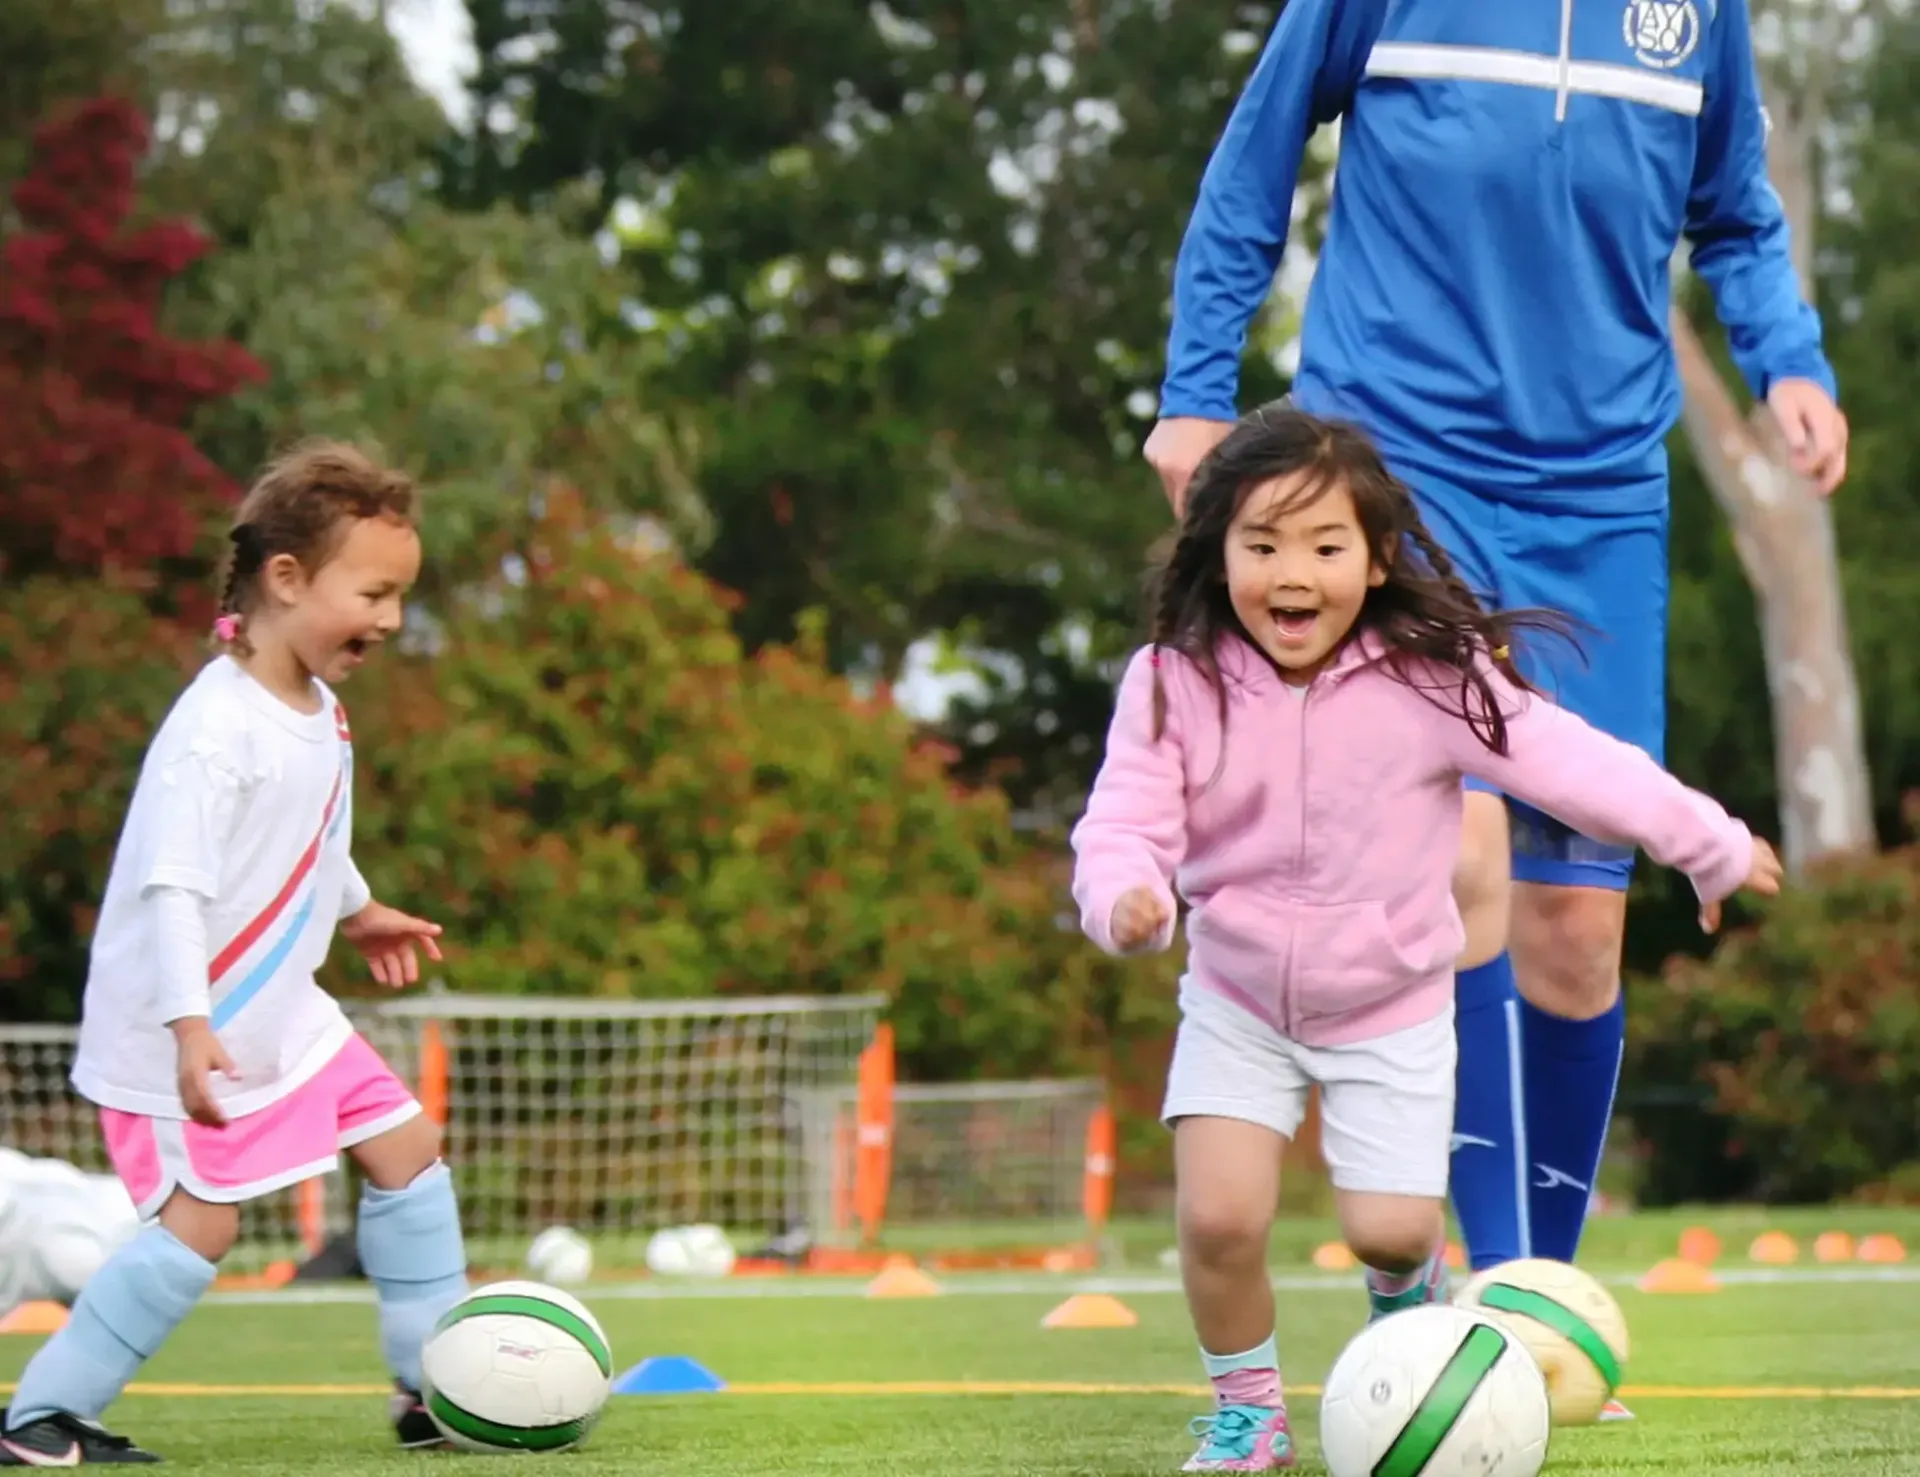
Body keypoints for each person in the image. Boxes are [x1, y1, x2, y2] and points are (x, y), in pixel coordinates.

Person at [1141, 0, 1847, 1403]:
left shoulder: (1698, 12)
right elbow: (1253, 159)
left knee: (1581, 928)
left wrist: (1790, 356)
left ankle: (1537, 1312)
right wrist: (1192, 390)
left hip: (1597, 498)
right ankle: (1465, 1304)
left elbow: (1740, 215)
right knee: (1457, 854)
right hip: (1397, 464)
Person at [1072, 408, 1779, 1473]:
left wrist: (1708, 843)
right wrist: (1124, 893)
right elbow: (1122, 821)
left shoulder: (1434, 677)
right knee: (1219, 1219)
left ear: (1376, 556)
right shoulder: (1174, 683)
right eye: (1261, 545)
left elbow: (1577, 762)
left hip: (1393, 1006)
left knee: (1394, 1234)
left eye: (1323, 544)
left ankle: (1406, 1331)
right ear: (1219, 554)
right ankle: (1248, 1415)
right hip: (1236, 1000)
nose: (1290, 572)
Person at [1, 442, 464, 1466]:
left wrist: (360, 908)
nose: (390, 619)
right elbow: (177, 887)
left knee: (409, 1152)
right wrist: (189, 1027)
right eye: (374, 592)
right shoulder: (213, 727)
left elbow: (302, 843)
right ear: (287, 579)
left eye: (401, 596)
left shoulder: (322, 712)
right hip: (180, 1033)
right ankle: (40, 1415)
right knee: (199, 1231)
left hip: (285, 1013)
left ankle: (437, 1392)